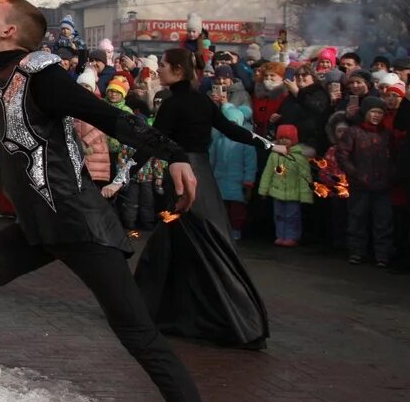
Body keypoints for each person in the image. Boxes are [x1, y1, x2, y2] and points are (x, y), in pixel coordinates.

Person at [0, 0, 212, 402]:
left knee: (140, 337)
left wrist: (175, 154)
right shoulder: (3, 73)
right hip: (36, 227)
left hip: (77, 224)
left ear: (9, 33)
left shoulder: (43, 76)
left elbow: (106, 115)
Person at [135, 47, 276, 351]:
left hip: (185, 180)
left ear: (178, 70)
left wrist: (123, 175)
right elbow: (232, 130)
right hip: (203, 178)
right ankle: (186, 315)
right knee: (199, 244)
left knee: (191, 245)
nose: (159, 69)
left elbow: (152, 141)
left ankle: (221, 320)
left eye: (163, 65)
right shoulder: (202, 101)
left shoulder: (173, 104)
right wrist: (267, 144)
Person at [338, 96, 395, 267]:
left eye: (380, 112)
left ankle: (382, 255)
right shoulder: (354, 131)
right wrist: (355, 173)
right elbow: (342, 155)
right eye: (373, 112)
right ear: (365, 112)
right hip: (359, 184)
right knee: (357, 219)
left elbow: (394, 157)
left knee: (383, 221)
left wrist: (391, 176)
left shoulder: (387, 134)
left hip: (383, 185)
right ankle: (356, 252)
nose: (376, 116)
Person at [206, 103, 258, 242]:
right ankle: (222, 230)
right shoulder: (218, 141)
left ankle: (236, 230)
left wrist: (248, 182)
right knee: (221, 209)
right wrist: (209, 173)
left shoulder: (246, 142)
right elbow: (212, 159)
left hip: (238, 182)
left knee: (237, 210)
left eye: (234, 123)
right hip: (219, 179)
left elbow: (250, 164)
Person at [258, 123, 314, 248]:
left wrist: (306, 196)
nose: (284, 140)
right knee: (278, 216)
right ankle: (281, 235)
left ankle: (292, 236)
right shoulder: (274, 154)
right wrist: (263, 190)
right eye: (281, 137)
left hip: (293, 193)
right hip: (277, 192)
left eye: (287, 138)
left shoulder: (300, 157)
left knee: (292, 217)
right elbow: (268, 173)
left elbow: (305, 178)